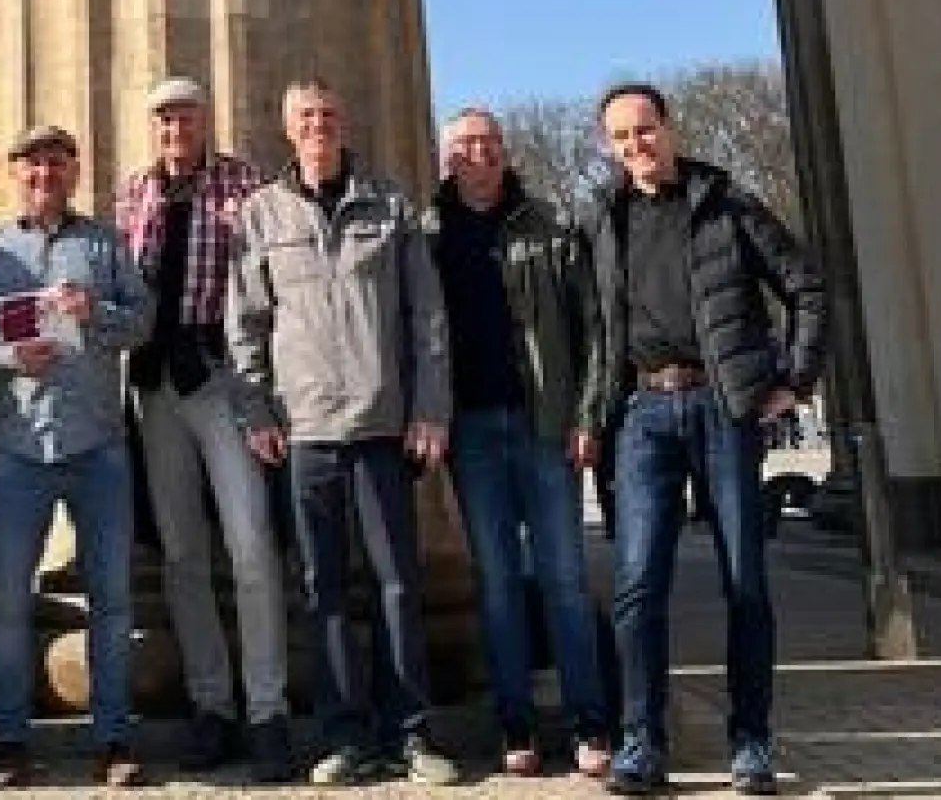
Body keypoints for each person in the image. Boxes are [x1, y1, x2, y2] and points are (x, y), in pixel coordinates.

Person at [587, 83, 827, 796]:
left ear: (669, 126)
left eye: (646, 130)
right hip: (643, 413)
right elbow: (594, 325)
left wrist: (794, 381)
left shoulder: (727, 201)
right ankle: (642, 741)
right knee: (637, 584)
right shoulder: (602, 218)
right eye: (622, 137)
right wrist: (591, 413)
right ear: (609, 146)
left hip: (725, 409)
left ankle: (750, 741)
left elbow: (806, 286)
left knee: (744, 579)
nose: (637, 145)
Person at [226, 80, 460, 786]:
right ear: (288, 128)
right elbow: (246, 325)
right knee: (321, 586)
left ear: (342, 121)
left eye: (327, 114)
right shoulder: (260, 213)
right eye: (306, 117)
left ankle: (411, 732)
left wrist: (431, 407)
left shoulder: (389, 204)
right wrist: (257, 412)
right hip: (304, 430)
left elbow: (426, 318)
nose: (318, 126)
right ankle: (345, 735)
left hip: (384, 423)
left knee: (396, 584)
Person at [0, 125, 153, 789]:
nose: (44, 174)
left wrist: (95, 309)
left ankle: (113, 736)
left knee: (113, 599)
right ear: (16, 172)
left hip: (97, 444)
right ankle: (11, 738)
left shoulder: (103, 242)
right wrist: (7, 356)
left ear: (73, 171)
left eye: (57, 164)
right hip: (17, 444)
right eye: (33, 164)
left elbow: (142, 321)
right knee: (7, 600)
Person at [113, 77, 292, 782]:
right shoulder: (134, 190)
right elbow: (122, 282)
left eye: (184, 115)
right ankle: (212, 703)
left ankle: (268, 706)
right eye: (162, 117)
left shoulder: (242, 181)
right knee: (183, 554)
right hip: (155, 382)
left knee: (250, 543)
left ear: (203, 120)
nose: (173, 127)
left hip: (222, 374)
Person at [425, 108, 611, 777]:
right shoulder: (426, 234)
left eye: (489, 142)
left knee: (563, 578)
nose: (480, 153)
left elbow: (592, 327)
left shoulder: (550, 223)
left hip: (547, 425)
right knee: (497, 583)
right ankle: (516, 722)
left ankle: (590, 721)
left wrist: (590, 414)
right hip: (470, 429)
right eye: (466, 144)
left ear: (505, 152)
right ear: (448, 159)